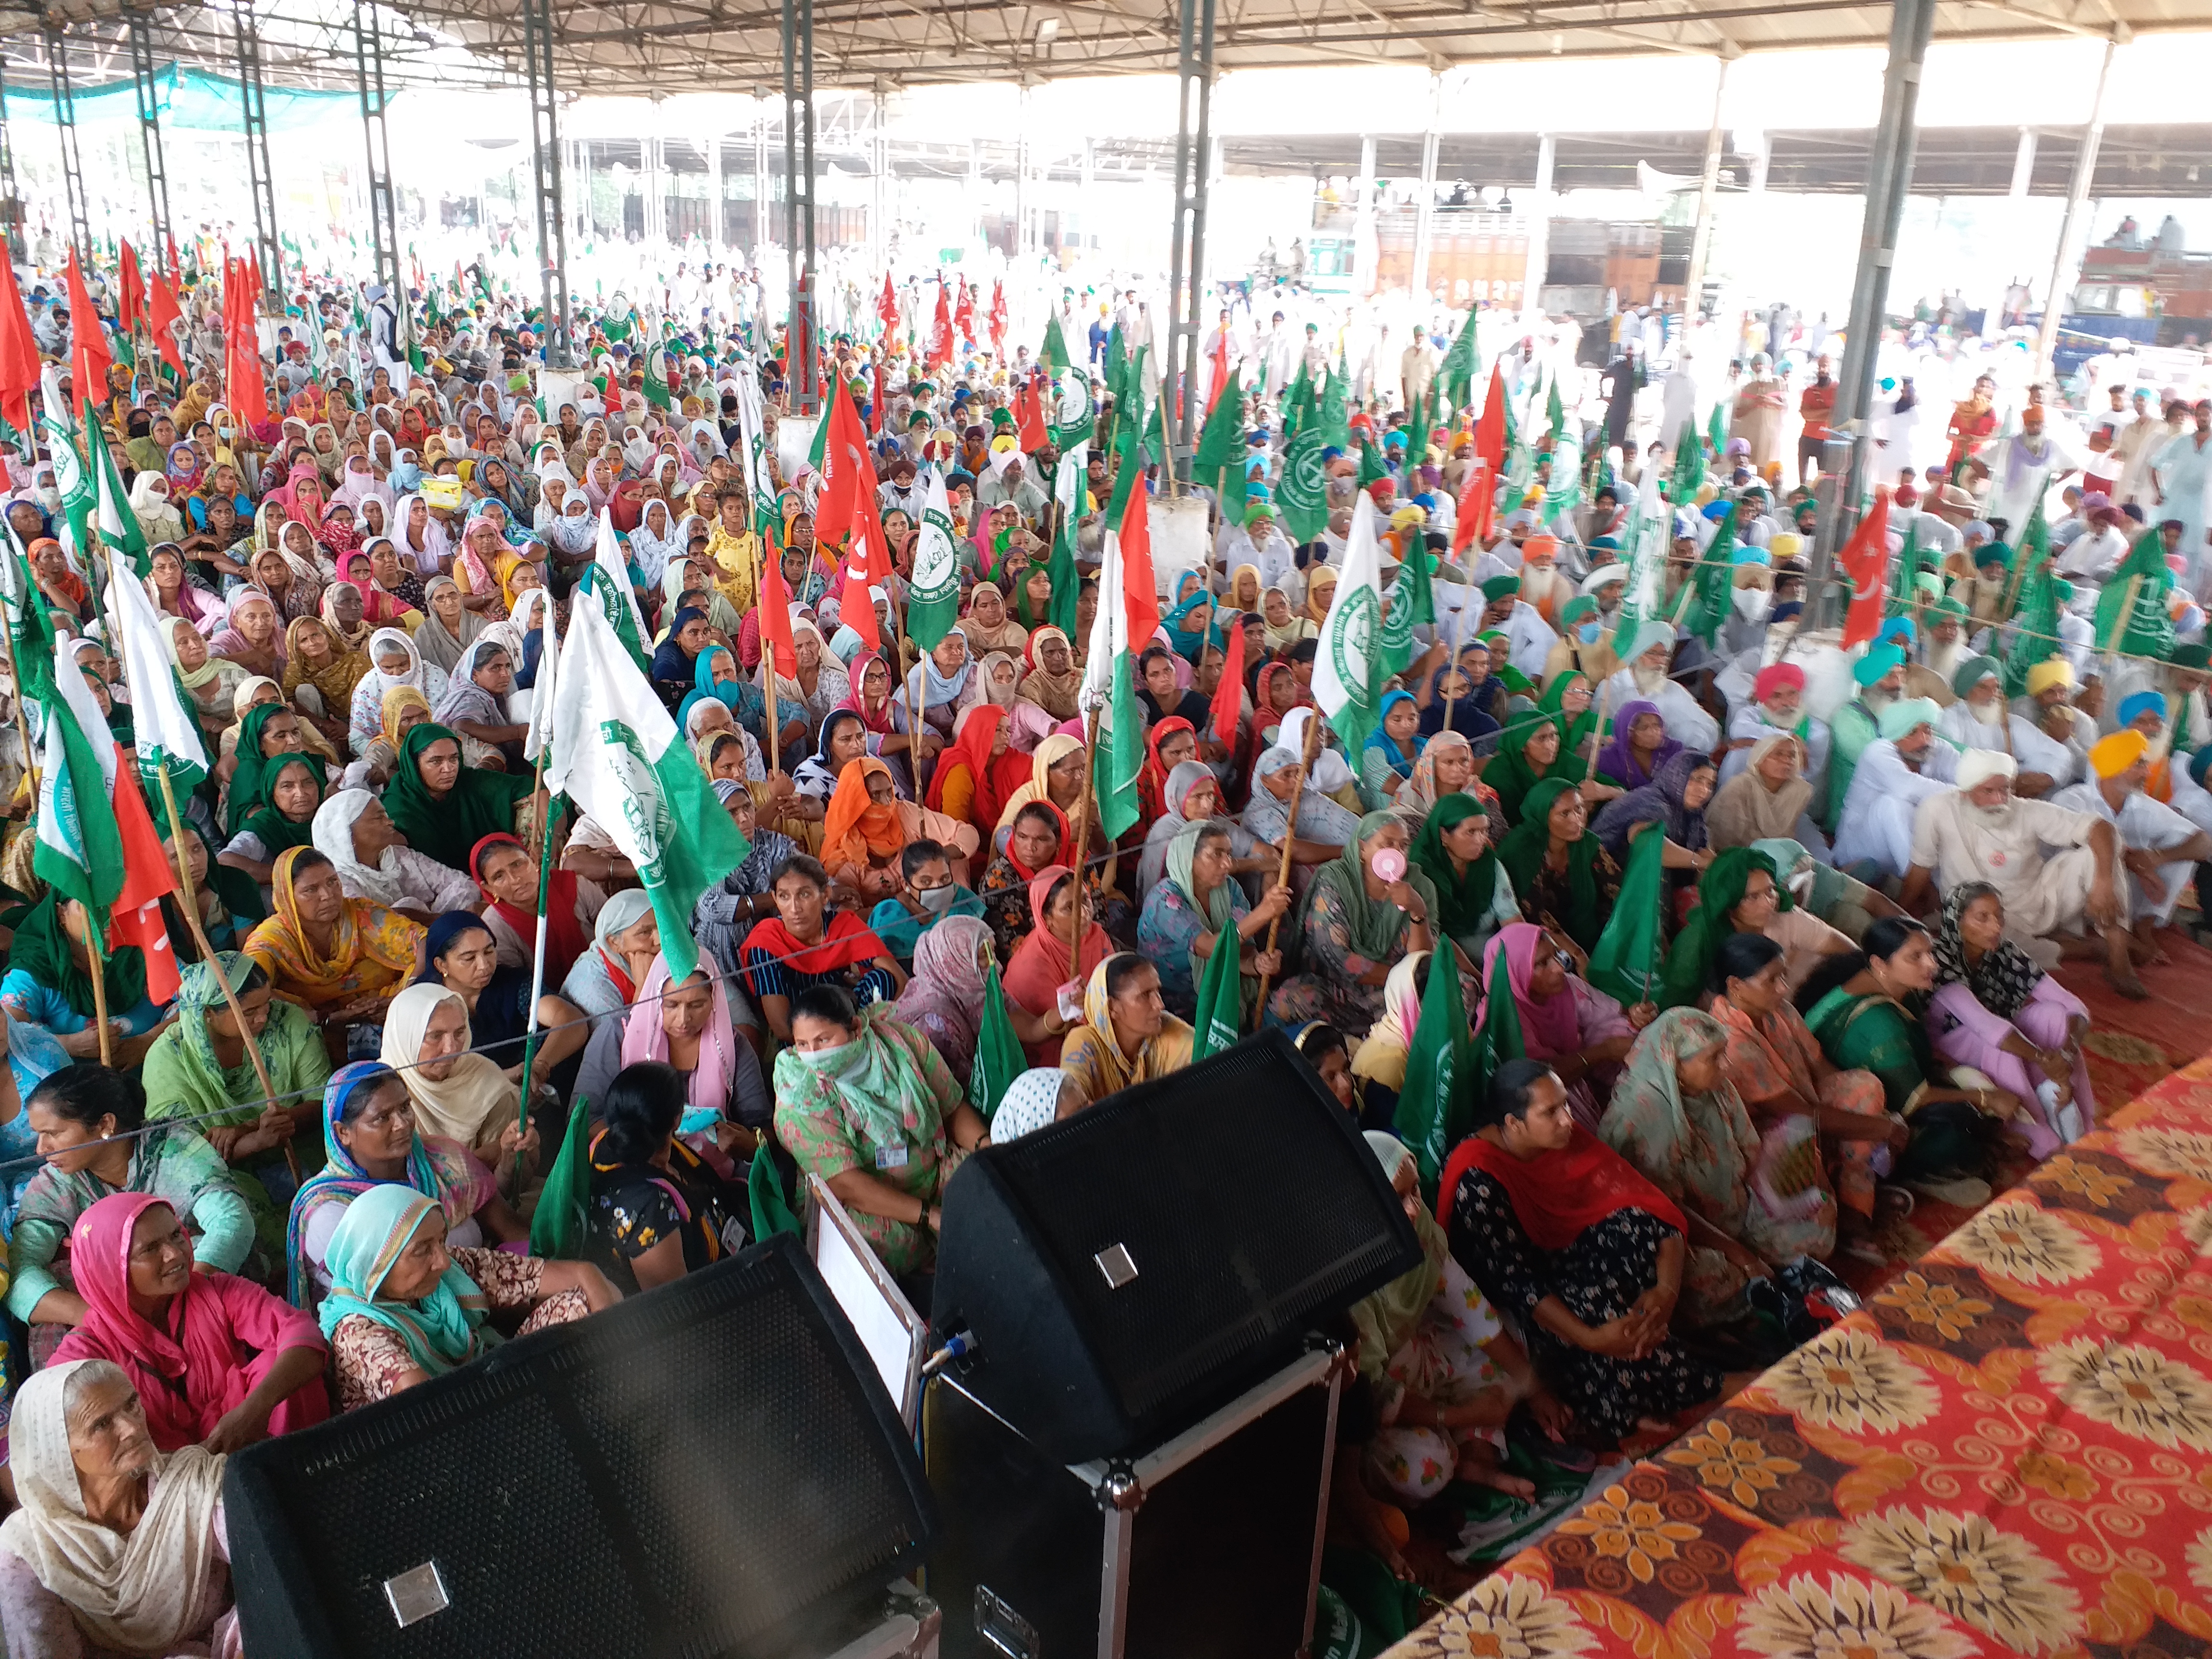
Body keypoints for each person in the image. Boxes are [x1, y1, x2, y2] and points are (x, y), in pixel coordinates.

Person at [1440, 1058, 1723, 1443]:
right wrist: (1591, 1338)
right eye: (1551, 1112)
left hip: (1564, 1252)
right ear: (1513, 1125)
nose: (1567, 1119)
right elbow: (1515, 1282)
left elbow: (1643, 1204)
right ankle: (1628, 1407)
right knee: (1596, 1306)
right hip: (1516, 1295)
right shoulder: (1478, 1179)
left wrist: (1665, 1293)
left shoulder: (1559, 1137)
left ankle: (1648, 1359)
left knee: (1636, 1234)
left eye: (1566, 1104)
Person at [1351, 1132, 1564, 1510]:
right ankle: (1459, 1453)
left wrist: (1533, 1388)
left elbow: (1467, 1305)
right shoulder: (1350, 1280)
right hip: (1377, 1402)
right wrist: (1467, 1413)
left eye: (1415, 1191)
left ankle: (1476, 1461)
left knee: (1509, 1341)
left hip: (1418, 1355)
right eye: (1396, 1198)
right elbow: (1372, 1398)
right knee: (1427, 1467)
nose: (1414, 1209)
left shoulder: (1420, 1231)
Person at [10, 1068, 258, 1372]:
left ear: (105, 1125)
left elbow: (231, 1223)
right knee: (56, 1315)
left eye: (54, 1134)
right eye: (39, 1134)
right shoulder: (57, 1181)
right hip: (106, 1312)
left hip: (182, 1282)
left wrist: (185, 1295)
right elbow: (21, 1268)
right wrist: (99, 1318)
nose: (41, 1149)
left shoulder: (174, 1149)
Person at [48, 1192, 329, 1452]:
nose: (175, 1254)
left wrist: (254, 1411)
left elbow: (303, 1333)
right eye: (150, 1249)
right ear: (110, 1269)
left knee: (283, 1368)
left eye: (176, 1236)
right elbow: (46, 1427)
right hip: (161, 1483)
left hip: (251, 1448)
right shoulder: (86, 1353)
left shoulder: (215, 1292)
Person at [1601, 1007, 1837, 1315]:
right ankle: (1759, 1296)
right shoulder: (1640, 1117)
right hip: (1684, 1237)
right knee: (1709, 1280)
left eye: (1723, 1053)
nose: (1726, 1066)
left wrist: (1800, 1189)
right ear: (1676, 1065)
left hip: (1738, 1208)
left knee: (1818, 1230)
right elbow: (1667, 1213)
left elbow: (1751, 1154)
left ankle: (1766, 1290)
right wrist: (1740, 1253)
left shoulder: (1718, 1089)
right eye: (1714, 1058)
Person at [0, 1359, 240, 1659]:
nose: (132, 1427)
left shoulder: (189, 1483)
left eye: (132, 1405)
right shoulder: (30, 1548)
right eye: (102, 1424)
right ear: (57, 1452)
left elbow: (270, 1559)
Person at [319, 1183, 615, 1410]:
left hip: (489, 1393)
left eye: (441, 1241)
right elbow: (436, 1410)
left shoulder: (446, 1269)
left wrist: (622, 1348)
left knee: (581, 1302)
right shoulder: (358, 1332)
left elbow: (583, 1273)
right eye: (422, 1250)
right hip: (439, 1440)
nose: (443, 1261)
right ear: (375, 1264)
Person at [773, 983, 986, 1281]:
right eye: (802, 1045)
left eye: (823, 1040)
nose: (814, 1055)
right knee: (873, 1244)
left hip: (933, 1173)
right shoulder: (801, 1093)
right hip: (869, 1206)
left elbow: (951, 1105)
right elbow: (846, 1184)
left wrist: (987, 1147)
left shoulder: (901, 1046)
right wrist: (928, 1215)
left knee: (983, 1183)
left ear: (856, 1029)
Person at [1708, 931, 1900, 1261]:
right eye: (1771, 980)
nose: (1783, 988)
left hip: (1805, 1115)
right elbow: (1798, 1115)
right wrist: (1882, 1130)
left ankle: (1854, 1206)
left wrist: (1861, 1121)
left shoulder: (1777, 1008)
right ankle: (1840, 1194)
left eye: (1784, 976)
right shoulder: (1731, 1041)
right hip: (1768, 1140)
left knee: (1864, 1087)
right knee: (1815, 1233)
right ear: (1736, 986)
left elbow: (1819, 1064)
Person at [1801, 917, 2024, 1197]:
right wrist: (1984, 1098)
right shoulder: (1879, 1020)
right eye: (1915, 957)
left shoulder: (1893, 987)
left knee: (1967, 1094)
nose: (1932, 965)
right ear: (1880, 964)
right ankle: (1908, 1175)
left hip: (1892, 1088)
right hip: (1854, 1114)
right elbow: (1913, 1100)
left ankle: (1976, 1142)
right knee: (1955, 1129)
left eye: (1930, 953)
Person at [287, 1062, 528, 1304]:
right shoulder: (330, 1211)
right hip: (406, 1328)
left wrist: (526, 1282)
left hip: (498, 1296)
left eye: (405, 1108)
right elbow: (389, 1300)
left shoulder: (443, 1160)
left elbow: (511, 1230)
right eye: (382, 1118)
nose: (402, 1124)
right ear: (343, 1133)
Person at [1897, 749, 2134, 992]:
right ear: (1965, 792)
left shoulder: (2027, 810)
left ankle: (2119, 959)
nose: (2000, 799)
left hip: (2039, 900)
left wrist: (2103, 882)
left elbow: (2100, 827)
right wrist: (1899, 914)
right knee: (1987, 950)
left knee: (2096, 854)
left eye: (2006, 789)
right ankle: (2090, 949)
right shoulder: (1936, 810)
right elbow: (1921, 867)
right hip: (1982, 919)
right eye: (1988, 791)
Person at [140, 954, 331, 1235]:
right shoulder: (168, 1059)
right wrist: (256, 1141)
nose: (264, 1017)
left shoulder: (288, 1022)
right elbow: (180, 1154)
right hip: (221, 1173)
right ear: (208, 1013)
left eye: (267, 1004)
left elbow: (323, 1100)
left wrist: (255, 1126)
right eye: (249, 1012)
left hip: (302, 1149)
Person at [1927, 882, 2096, 1156]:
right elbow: (1984, 1025)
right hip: (1956, 1045)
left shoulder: (2004, 953)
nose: (1996, 927)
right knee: (2001, 1046)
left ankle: (2069, 1105)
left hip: (2006, 1036)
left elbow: (2074, 1005)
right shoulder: (1939, 960)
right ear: (1956, 921)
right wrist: (2043, 1058)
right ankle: (2038, 1133)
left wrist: (2067, 1052)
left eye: (1999, 916)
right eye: (1982, 918)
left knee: (2054, 1015)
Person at [584, 1062, 755, 1293]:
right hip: (706, 1302)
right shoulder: (651, 1209)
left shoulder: (612, 1144)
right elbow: (677, 1305)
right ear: (678, 1119)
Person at [1267, 812, 1436, 1036]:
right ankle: (1371, 1037)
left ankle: (1380, 1037)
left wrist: (1418, 912)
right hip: (1341, 988)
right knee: (1292, 997)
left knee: (1459, 988)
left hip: (1398, 991)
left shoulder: (1420, 886)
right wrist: (1398, 981)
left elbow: (1421, 958)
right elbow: (1333, 953)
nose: (1397, 852)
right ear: (1362, 848)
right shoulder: (1336, 881)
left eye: (1404, 846)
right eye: (1387, 844)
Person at [243, 847, 425, 1050]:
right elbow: (248, 988)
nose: (328, 895)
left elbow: (423, 940)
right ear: (287, 896)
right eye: (311, 890)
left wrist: (406, 994)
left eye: (333, 882)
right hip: (316, 1032)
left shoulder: (359, 914)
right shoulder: (271, 940)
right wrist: (326, 1018)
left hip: (391, 1009)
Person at [575, 957, 770, 1143]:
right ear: (654, 998)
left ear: (714, 1000)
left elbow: (761, 1125)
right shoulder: (618, 1035)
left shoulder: (732, 1044)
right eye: (672, 1005)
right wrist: (639, 1146)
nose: (683, 1019)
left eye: (697, 1005)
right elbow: (584, 1118)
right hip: (628, 1162)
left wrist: (747, 1144)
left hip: (712, 1168)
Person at [1477, 922, 1646, 1130]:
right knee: (1560, 1098)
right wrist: (1603, 1051)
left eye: (1557, 956)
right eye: (1542, 963)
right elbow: (1537, 1079)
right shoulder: (1502, 1017)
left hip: (1572, 1073)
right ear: (1515, 971)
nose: (1559, 968)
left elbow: (1612, 1014)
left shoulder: (1568, 987)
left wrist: (1636, 1017)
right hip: (1531, 1102)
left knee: (1623, 1029)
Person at [1658, 848, 1852, 1009]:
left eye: (1771, 891)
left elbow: (1849, 952)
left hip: (1784, 1009)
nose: (1769, 903)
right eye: (1753, 897)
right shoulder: (1698, 941)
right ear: (1729, 904)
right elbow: (1673, 1008)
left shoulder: (1786, 917)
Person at [740, 854, 904, 1044]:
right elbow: (782, 1028)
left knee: (882, 979)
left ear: (825, 896)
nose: (794, 908)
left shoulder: (842, 926)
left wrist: (885, 1022)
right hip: (801, 1037)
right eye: (784, 896)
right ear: (775, 899)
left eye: (804, 894)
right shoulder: (766, 941)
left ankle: (862, 1040)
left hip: (847, 1019)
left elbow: (899, 978)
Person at [1135, 820, 1290, 1021]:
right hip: (1177, 1007)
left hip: (1231, 990)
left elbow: (1242, 949)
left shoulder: (1229, 889)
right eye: (1217, 854)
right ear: (1188, 858)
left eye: (1228, 854)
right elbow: (1209, 948)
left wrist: (1256, 964)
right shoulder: (1165, 900)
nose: (1227, 863)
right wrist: (1264, 911)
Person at [377, 982, 533, 1174]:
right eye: (435, 1036)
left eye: (460, 1033)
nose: (451, 1049)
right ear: (405, 1038)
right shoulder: (379, 1094)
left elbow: (512, 1175)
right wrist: (480, 1157)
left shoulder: (485, 1079)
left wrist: (506, 1152)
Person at [0, 892, 171, 1065]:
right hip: (71, 1086)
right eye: (92, 906)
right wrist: (71, 1045)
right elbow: (8, 1032)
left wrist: (147, 1041)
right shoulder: (35, 968)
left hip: (155, 1072)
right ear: (61, 914)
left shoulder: (143, 952)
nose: (107, 915)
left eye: (116, 905)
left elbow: (196, 998)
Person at [379, 722, 537, 873]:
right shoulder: (398, 809)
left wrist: (547, 842)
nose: (449, 769)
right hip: (441, 888)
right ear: (415, 765)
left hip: (496, 871)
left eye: (454, 759)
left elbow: (535, 789)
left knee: (535, 811)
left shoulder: (466, 780)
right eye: (436, 761)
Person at [1833, 698, 1959, 880]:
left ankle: (1939, 887)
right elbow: (1907, 788)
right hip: (1859, 847)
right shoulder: (1877, 752)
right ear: (1895, 736)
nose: (1924, 740)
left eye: (1928, 730)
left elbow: (1969, 780)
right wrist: (1962, 794)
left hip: (1906, 845)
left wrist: (1968, 793)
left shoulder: (1937, 749)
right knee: (1892, 805)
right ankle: (1920, 885)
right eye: (1912, 732)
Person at [1495, 778, 1624, 956]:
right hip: (1545, 946)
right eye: (1565, 814)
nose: (1577, 820)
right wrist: (1577, 954)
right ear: (1542, 816)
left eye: (1579, 809)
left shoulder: (1586, 843)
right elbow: (1536, 914)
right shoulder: (1520, 852)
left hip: (1590, 935)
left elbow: (1618, 888)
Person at [1056, 954, 1197, 1107]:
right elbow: (1070, 1109)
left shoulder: (1165, 1026)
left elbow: (1204, 1058)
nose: (1160, 1005)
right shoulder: (1084, 1044)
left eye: (1158, 991)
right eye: (1145, 995)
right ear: (1112, 1007)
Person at [890, 914, 998, 1083]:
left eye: (993, 952)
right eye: (984, 955)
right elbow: (960, 1094)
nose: (997, 965)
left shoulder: (956, 986)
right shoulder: (937, 1026)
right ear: (955, 961)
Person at [1706, 733, 1827, 854]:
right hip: (1733, 856)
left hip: (1775, 856)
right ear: (1759, 759)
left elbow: (1788, 835)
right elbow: (1724, 839)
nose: (1786, 761)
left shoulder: (1799, 790)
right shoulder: (1740, 787)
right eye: (1778, 754)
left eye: (1792, 756)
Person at [560, 888, 660, 1027]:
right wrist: (644, 989)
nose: (659, 940)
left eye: (661, 927)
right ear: (614, 943)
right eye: (645, 932)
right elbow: (626, 1044)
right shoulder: (594, 987)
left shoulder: (656, 954)